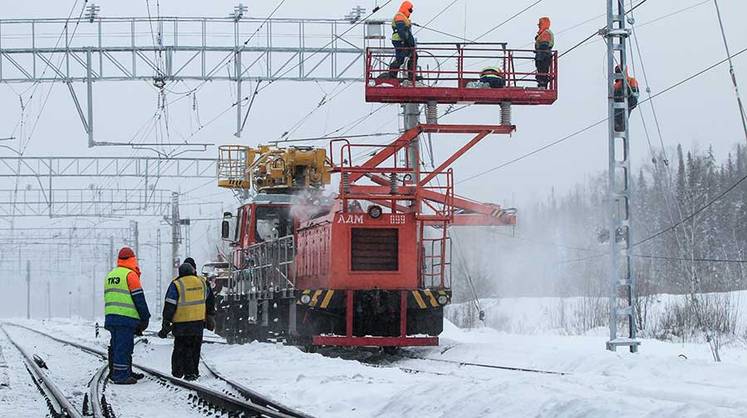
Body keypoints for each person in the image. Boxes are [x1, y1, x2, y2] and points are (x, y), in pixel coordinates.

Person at [158, 258, 216, 381]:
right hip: (198, 322)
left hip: (181, 323)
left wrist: (166, 322)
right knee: (195, 348)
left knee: (181, 348)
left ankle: (178, 372)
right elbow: (210, 299)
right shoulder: (202, 282)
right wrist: (210, 315)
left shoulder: (176, 284)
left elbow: (170, 305)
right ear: (193, 270)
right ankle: (193, 372)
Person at [104, 247, 150, 385]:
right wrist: (145, 317)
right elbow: (139, 298)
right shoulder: (130, 275)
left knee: (116, 345)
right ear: (133, 259)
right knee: (124, 347)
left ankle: (119, 371)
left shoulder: (111, 275)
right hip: (126, 318)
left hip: (112, 317)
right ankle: (121, 375)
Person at [388, 1, 417, 80]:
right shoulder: (400, 16)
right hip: (400, 40)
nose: (411, 12)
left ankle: (394, 76)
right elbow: (401, 31)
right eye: (410, 10)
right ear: (406, 8)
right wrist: (406, 41)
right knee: (404, 57)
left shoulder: (402, 16)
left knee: (411, 56)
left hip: (401, 40)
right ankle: (393, 76)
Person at [613, 65, 640, 132]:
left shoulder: (631, 80)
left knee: (622, 115)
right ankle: (619, 125)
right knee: (620, 115)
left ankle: (620, 125)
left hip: (629, 100)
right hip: (621, 101)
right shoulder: (615, 85)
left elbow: (635, 92)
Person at [534, 17, 554, 89]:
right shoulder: (543, 33)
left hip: (543, 55)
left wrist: (539, 49)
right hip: (542, 54)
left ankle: (542, 84)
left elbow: (544, 44)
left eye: (540, 24)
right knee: (541, 70)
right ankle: (542, 84)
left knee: (543, 70)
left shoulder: (546, 33)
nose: (539, 25)